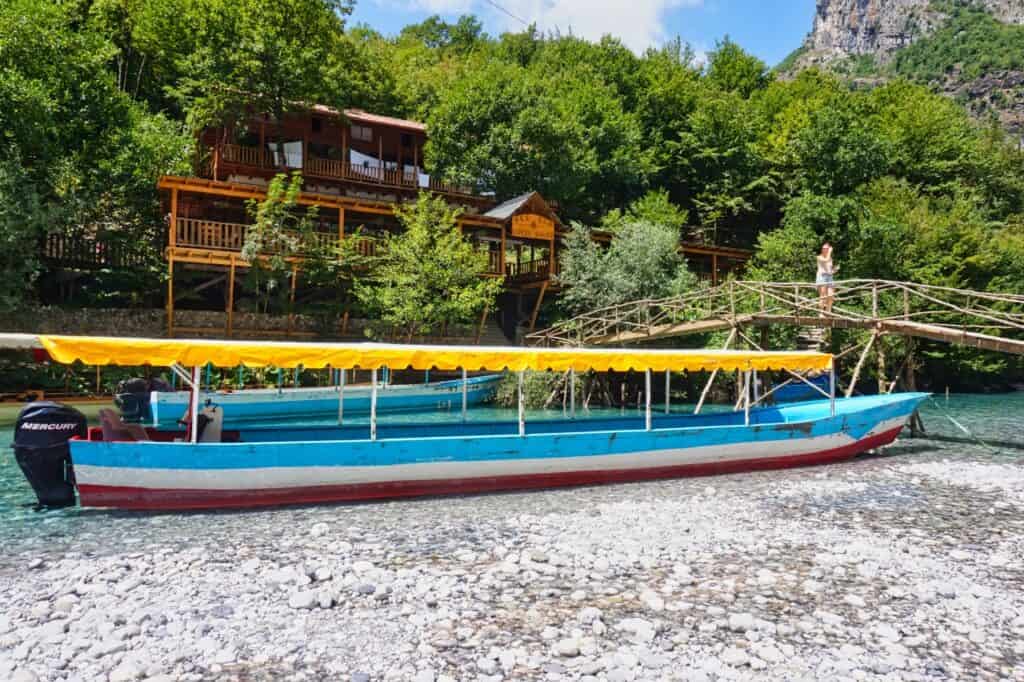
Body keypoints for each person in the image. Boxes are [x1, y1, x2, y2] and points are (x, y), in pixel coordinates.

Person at [816, 243, 838, 314]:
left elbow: (829, 271)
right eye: (823, 248)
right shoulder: (819, 257)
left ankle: (828, 312)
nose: (824, 250)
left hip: (829, 277)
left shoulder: (830, 258)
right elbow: (826, 260)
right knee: (823, 296)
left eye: (826, 248)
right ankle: (821, 313)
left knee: (831, 295)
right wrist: (830, 252)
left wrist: (834, 270)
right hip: (822, 277)